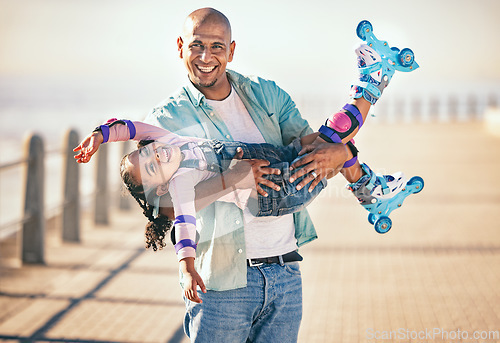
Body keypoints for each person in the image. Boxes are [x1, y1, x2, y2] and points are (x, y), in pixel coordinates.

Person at [76, 8, 417, 342]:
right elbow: (166, 211)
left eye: (216, 46)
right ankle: (370, 110)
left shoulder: (264, 93)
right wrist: (232, 181)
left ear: (232, 50)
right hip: (224, 288)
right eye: (196, 45)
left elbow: (313, 149)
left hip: (284, 272)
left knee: (327, 141)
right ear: (180, 47)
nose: (205, 56)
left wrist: (344, 153)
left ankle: (368, 161)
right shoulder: (169, 119)